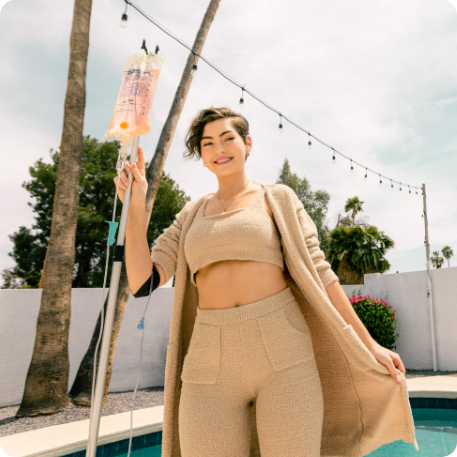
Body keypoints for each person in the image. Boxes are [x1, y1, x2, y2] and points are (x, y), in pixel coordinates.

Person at [114, 107, 414, 457]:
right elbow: (143, 281)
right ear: (202, 157)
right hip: (209, 361)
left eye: (228, 138)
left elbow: (322, 276)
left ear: (247, 144)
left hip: (284, 352)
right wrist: (134, 210)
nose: (218, 148)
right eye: (207, 143)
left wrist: (370, 345)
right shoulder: (190, 214)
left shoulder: (277, 199)